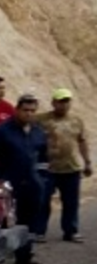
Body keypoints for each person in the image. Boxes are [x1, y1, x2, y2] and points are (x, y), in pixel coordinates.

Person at [0, 92, 49, 264]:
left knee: (29, 222)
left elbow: (43, 158)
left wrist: (41, 179)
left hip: (32, 186)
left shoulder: (38, 132)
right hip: (8, 186)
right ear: (16, 110)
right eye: (25, 110)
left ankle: (24, 256)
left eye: (33, 110)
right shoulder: (0, 131)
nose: (29, 114)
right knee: (4, 222)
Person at [36, 87, 91, 243]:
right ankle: (39, 231)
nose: (64, 105)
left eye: (67, 101)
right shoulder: (41, 120)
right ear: (53, 102)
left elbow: (82, 141)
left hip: (71, 168)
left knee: (71, 202)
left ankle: (71, 231)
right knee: (43, 201)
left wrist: (87, 162)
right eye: (61, 101)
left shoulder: (76, 120)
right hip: (48, 168)